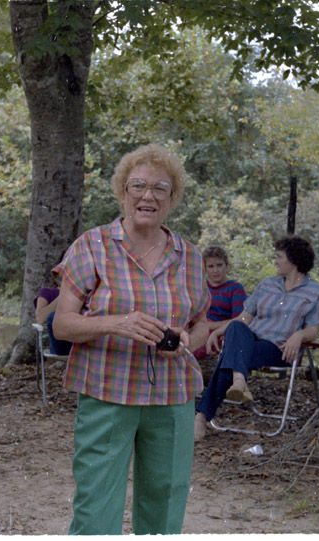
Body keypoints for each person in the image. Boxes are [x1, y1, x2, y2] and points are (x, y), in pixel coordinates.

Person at [52, 144, 210, 535]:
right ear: (122, 192)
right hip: (108, 391)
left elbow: (203, 321)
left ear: (173, 199)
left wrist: (189, 336)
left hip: (172, 397)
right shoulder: (92, 246)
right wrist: (116, 323)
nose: (148, 196)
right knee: (96, 506)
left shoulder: (189, 256)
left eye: (160, 188)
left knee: (166, 504)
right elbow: (62, 325)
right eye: (138, 185)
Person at [194, 235, 319, 441]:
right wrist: (218, 331)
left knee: (228, 359)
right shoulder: (267, 285)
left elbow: (314, 329)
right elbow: (243, 318)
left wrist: (299, 335)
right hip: (250, 341)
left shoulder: (317, 292)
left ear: (293, 260)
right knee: (237, 328)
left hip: (280, 348)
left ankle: (202, 416)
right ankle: (238, 381)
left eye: (279, 257)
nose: (276, 261)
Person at [192, 246, 247, 360]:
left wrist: (210, 326)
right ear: (205, 268)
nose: (215, 270)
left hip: (221, 334)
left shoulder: (235, 288)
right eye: (211, 266)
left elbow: (240, 321)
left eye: (219, 265)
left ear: (226, 266)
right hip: (198, 330)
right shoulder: (200, 288)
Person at [34, 268, 72, 356]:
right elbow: (40, 319)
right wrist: (63, 294)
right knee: (53, 316)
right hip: (61, 344)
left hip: (82, 339)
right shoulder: (47, 292)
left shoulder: (84, 293)